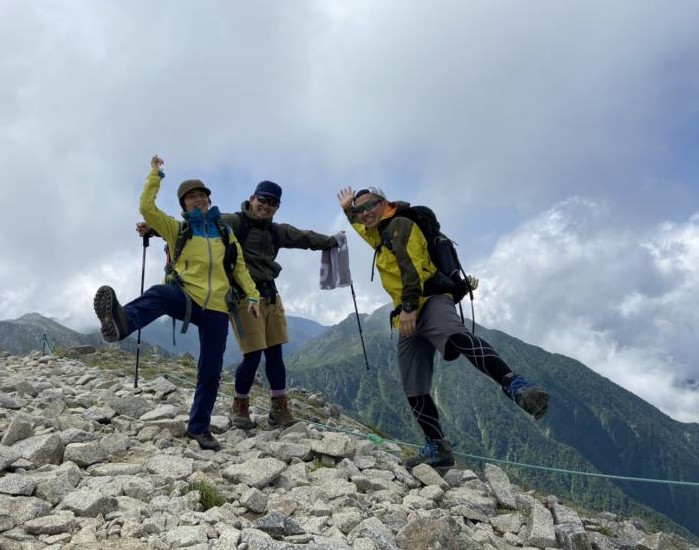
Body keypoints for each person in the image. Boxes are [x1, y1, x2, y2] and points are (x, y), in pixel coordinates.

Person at [337, 185, 549, 472]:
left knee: (459, 336)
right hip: (406, 315)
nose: (364, 213)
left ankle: (516, 386)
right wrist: (348, 209)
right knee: (413, 385)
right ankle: (437, 447)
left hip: (428, 301)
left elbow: (410, 267)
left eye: (369, 206)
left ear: (385, 203)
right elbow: (362, 226)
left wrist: (411, 308)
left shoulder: (400, 225)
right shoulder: (377, 232)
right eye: (360, 210)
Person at [93, 155, 261, 452]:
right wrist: (155, 174)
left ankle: (199, 428)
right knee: (160, 293)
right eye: (191, 198)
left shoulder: (225, 233)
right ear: (183, 205)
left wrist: (252, 295)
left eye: (202, 196)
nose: (198, 201)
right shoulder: (177, 229)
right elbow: (147, 208)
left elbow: (239, 268)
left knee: (210, 370)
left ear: (209, 200)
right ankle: (121, 324)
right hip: (187, 297)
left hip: (219, 307)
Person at [222, 181, 339, 429]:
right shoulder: (233, 222)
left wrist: (331, 241)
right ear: (252, 198)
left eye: (272, 203)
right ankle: (240, 406)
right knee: (252, 355)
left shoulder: (276, 231)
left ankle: (279, 408)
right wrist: (155, 229)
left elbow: (304, 237)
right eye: (263, 200)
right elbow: (198, 225)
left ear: (277, 207)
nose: (266, 206)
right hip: (243, 298)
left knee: (275, 354)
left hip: (271, 296)